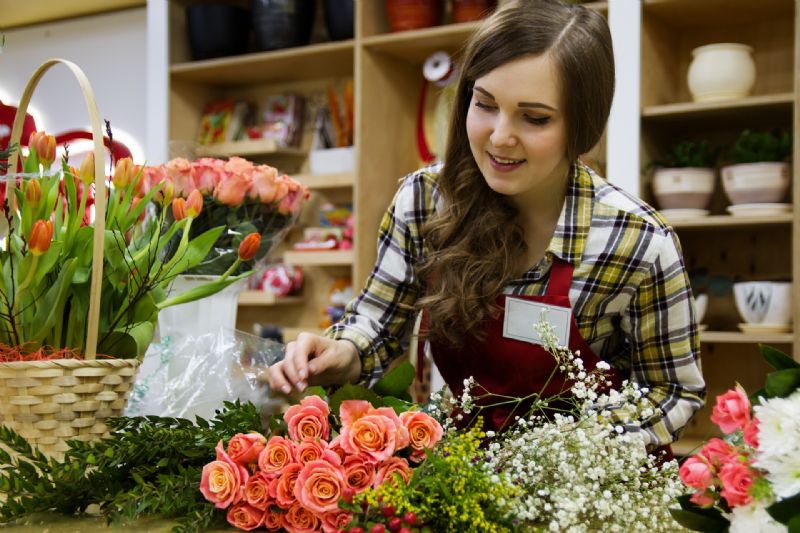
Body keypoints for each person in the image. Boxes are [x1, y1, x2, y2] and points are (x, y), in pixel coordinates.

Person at [265, 0, 706, 447]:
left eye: (535, 118)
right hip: (468, 475)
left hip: (591, 491)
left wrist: (573, 449)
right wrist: (340, 352)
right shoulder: (425, 202)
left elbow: (673, 391)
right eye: (486, 104)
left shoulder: (637, 242)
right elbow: (377, 324)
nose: (499, 137)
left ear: (583, 125)